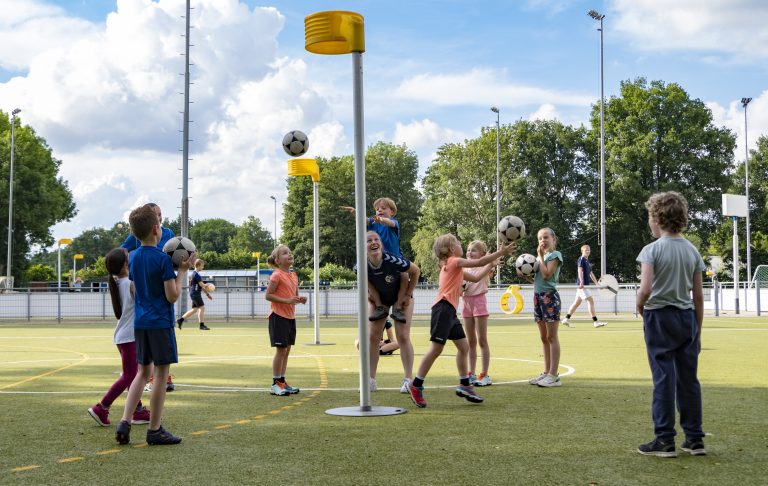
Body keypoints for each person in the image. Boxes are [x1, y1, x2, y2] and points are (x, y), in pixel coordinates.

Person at [114, 204, 193, 446]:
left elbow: (134, 288)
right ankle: (155, 429)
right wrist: (182, 271)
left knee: (142, 372)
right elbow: (172, 296)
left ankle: (125, 421)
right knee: (160, 375)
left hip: (141, 324)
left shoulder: (134, 257)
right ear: (157, 229)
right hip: (160, 323)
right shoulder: (161, 260)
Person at [407, 234, 515, 408]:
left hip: (449, 311)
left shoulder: (453, 266)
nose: (460, 244)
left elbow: (475, 277)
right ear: (451, 249)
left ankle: (465, 384)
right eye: (457, 242)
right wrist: (499, 252)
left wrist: (490, 264)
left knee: (464, 347)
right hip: (443, 309)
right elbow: (478, 263)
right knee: (436, 349)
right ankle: (416, 385)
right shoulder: (453, 261)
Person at [635, 191, 706, 458]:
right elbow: (698, 296)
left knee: (664, 378)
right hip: (686, 318)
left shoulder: (651, 251)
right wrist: (697, 332)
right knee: (689, 380)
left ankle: (664, 440)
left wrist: (640, 305)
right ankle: (695, 438)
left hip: (659, 318)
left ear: (657, 218)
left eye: (650, 218)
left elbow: (646, 289)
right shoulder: (692, 250)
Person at [87, 248, 150, 427]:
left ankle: (137, 410)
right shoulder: (129, 283)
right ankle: (102, 407)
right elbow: (146, 299)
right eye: (129, 259)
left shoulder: (119, 282)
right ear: (124, 265)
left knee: (133, 375)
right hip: (129, 336)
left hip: (125, 336)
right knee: (130, 374)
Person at [121, 202, 176, 392]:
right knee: (153, 364)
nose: (159, 218)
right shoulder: (139, 247)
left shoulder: (169, 235)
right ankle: (153, 421)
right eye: (155, 215)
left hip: (152, 304)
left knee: (152, 363)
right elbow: (122, 253)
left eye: (161, 214)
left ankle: (128, 417)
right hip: (155, 307)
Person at [365, 231, 420, 394]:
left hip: (401, 297)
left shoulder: (392, 259)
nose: (373, 242)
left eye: (376, 239)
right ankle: (370, 380)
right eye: (369, 240)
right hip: (380, 299)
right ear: (363, 246)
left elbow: (415, 271)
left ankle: (408, 379)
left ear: (381, 244)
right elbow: (368, 282)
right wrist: (378, 302)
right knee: (372, 336)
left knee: (402, 336)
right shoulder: (360, 264)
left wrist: (407, 295)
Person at [341, 197, 409, 323]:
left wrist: (382, 219)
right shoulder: (373, 223)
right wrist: (355, 212)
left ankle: (398, 307)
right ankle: (379, 306)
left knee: (404, 276)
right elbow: (365, 220)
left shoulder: (394, 223)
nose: (379, 210)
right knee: (366, 278)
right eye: (377, 209)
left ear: (392, 212)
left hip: (394, 260)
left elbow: (390, 223)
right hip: (379, 260)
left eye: (383, 208)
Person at [265, 244, 307, 396]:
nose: (289, 254)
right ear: (277, 260)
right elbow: (268, 295)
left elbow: (293, 297)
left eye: (289, 252)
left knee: (287, 350)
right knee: (281, 350)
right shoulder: (276, 275)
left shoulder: (294, 275)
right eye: (284, 253)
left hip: (290, 317)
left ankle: (282, 382)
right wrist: (288, 300)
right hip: (278, 317)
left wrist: (299, 299)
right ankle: (275, 384)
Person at [526, 228, 564, 388]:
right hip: (538, 297)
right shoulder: (537, 258)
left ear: (553, 239)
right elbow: (538, 280)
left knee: (552, 337)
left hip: (549, 297)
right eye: (540, 238)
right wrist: (526, 275)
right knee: (543, 337)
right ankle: (546, 372)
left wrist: (540, 257)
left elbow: (548, 275)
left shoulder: (555, 255)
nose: (543, 240)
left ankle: (554, 375)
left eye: (546, 237)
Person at [462, 240, 497, 387]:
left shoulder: (485, 266)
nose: (470, 252)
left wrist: (492, 260)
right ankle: (471, 373)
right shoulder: (464, 266)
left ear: (482, 255)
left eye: (474, 250)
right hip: (466, 304)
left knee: (482, 340)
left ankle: (485, 374)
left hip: (479, 303)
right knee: (470, 342)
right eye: (469, 250)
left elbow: (490, 259)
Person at [561, 245, 607, 328]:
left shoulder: (587, 261)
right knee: (591, 301)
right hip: (582, 286)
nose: (588, 251)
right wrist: (581, 281)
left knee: (576, 303)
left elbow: (591, 273)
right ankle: (595, 321)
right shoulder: (581, 259)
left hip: (584, 285)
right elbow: (580, 270)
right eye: (586, 250)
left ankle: (566, 319)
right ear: (582, 251)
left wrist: (597, 283)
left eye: (589, 250)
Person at [176, 258, 212, 331]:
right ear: (198, 265)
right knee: (202, 308)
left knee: (195, 309)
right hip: (195, 294)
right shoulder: (196, 274)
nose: (203, 267)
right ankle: (201, 325)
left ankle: (180, 320)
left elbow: (201, 286)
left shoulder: (194, 274)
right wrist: (209, 284)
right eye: (202, 266)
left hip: (194, 293)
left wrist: (207, 294)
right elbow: (202, 285)